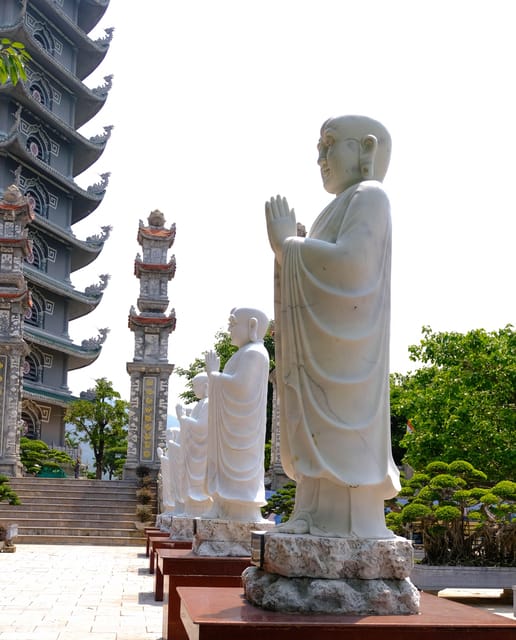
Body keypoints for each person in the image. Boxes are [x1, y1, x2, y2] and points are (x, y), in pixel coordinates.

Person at [265, 115, 400, 538]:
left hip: (348, 357)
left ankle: (344, 523)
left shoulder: (370, 196)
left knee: (343, 442)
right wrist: (289, 253)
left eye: (330, 145)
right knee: (319, 440)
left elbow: (353, 269)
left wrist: (289, 245)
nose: (320, 157)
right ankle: (311, 512)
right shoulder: (338, 206)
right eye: (318, 148)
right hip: (324, 349)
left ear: (366, 149)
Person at [203, 307, 270, 522]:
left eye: (233, 325)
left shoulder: (255, 353)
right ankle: (222, 505)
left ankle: (240, 510)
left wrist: (214, 375)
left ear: (252, 326)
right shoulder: (243, 353)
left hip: (243, 430)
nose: (229, 329)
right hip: (232, 427)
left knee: (239, 474)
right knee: (224, 472)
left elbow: (241, 388)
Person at [175, 373, 212, 516]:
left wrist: (183, 418)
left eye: (196, 386)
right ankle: (191, 508)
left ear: (206, 386)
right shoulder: (200, 404)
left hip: (201, 453)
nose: (194, 389)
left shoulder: (208, 403)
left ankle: (198, 508)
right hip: (194, 452)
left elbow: (202, 427)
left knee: (199, 484)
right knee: (190, 482)